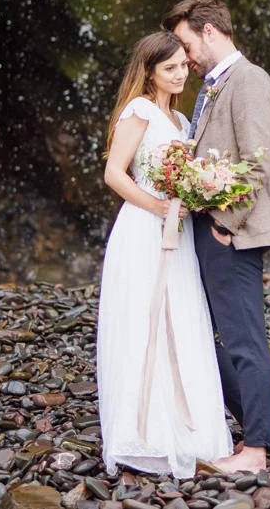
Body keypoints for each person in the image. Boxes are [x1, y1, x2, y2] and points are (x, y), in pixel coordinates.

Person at [163, 0, 270, 473]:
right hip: (211, 227)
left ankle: (254, 451)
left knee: (243, 339)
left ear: (208, 31)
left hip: (231, 234)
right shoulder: (216, 85)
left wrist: (223, 225)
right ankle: (266, 429)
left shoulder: (250, 81)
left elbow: (256, 164)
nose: (185, 57)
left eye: (186, 44)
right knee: (201, 332)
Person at [96, 31, 233, 479]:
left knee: (182, 318)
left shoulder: (179, 122)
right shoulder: (139, 111)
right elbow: (114, 173)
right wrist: (156, 205)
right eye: (169, 68)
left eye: (182, 66)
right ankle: (144, 432)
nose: (179, 75)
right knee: (144, 320)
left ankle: (188, 430)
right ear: (149, 71)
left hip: (177, 230)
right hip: (142, 229)